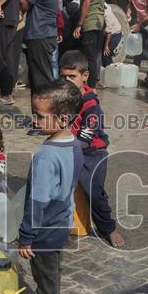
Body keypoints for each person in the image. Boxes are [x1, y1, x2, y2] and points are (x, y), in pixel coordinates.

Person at [17, 79, 84, 294]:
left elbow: (37, 201)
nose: (35, 120)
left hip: (42, 232)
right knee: (53, 275)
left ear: (64, 117)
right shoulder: (75, 144)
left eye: (40, 116)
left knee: (46, 283)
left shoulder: (46, 155)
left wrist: (25, 237)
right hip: (60, 225)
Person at [58, 51, 125, 248]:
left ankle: (108, 228)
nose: (67, 81)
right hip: (69, 148)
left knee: (94, 191)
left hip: (92, 153)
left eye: (72, 76)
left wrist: (72, 148)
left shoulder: (90, 102)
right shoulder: (61, 97)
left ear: (85, 76)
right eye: (63, 77)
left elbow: (88, 130)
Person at [19, 0, 61, 94]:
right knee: (43, 78)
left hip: (40, 34)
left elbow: (24, 4)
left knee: (40, 81)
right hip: (46, 33)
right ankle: (42, 115)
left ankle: (43, 115)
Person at [73, 0, 106, 88]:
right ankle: (93, 84)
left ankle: (90, 87)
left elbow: (86, 2)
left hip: (90, 22)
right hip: (100, 23)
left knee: (89, 57)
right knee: (95, 56)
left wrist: (79, 24)